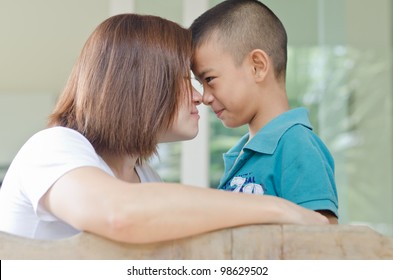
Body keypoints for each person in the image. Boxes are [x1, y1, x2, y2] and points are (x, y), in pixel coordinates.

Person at [0, 13, 328, 244]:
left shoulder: (145, 178)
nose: (200, 97)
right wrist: (283, 210)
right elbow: (120, 214)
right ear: (141, 84)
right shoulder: (54, 148)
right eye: (187, 81)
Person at [190, 0, 339, 224]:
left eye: (210, 80)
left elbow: (323, 243)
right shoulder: (240, 154)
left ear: (257, 66)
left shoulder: (297, 145)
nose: (205, 96)